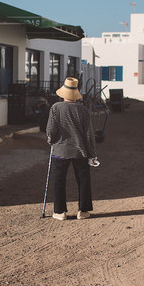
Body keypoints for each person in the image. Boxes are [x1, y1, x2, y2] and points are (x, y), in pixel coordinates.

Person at [46, 77, 98, 220]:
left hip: (59, 151)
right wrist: (92, 154)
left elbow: (50, 130)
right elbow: (89, 135)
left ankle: (60, 212)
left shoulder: (55, 108)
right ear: (76, 95)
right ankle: (83, 211)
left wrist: (51, 141)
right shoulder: (83, 110)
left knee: (58, 180)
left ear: (63, 93)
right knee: (83, 181)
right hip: (80, 152)